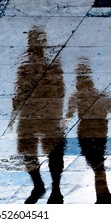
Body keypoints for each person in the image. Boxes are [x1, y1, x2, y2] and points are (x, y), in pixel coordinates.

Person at [12, 26, 66, 204]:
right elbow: (19, 90)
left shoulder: (52, 64)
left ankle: (55, 189)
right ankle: (39, 185)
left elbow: (60, 90)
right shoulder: (25, 66)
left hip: (48, 113)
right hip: (31, 113)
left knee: (53, 152)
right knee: (27, 149)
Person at [66, 58, 111, 204]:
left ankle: (102, 187)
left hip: (85, 126)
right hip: (101, 126)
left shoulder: (76, 96)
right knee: (98, 152)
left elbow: (69, 114)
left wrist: (62, 125)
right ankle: (102, 187)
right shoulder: (103, 95)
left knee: (91, 153)